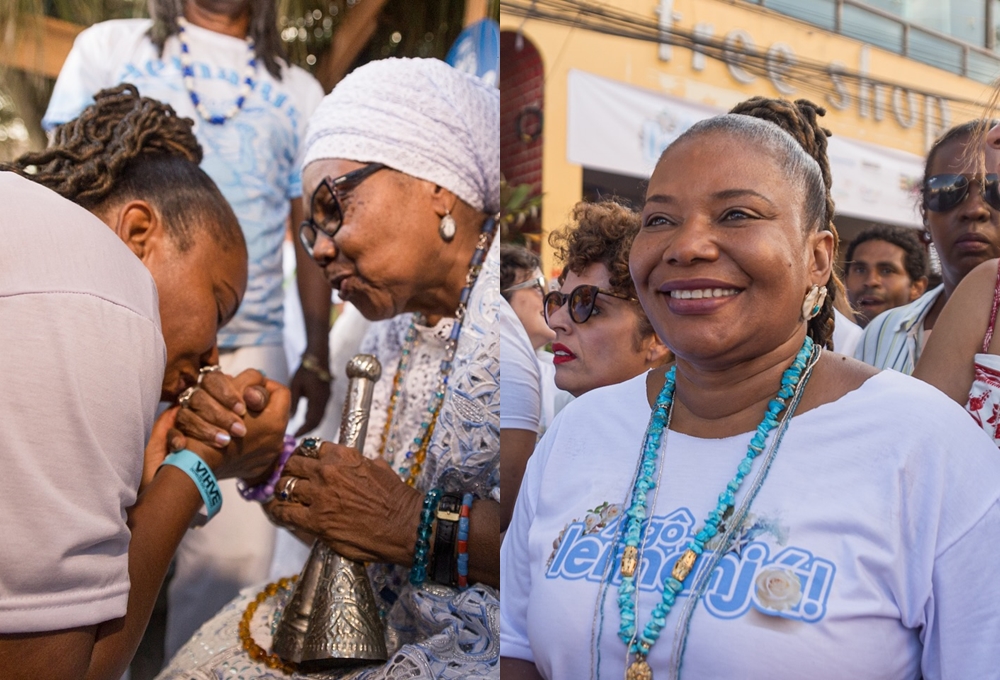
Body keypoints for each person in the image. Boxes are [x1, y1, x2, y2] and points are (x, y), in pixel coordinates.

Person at [500, 100, 1000, 679]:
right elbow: (519, 648)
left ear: (818, 258)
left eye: (736, 214)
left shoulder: (927, 446)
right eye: (659, 220)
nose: (687, 246)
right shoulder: (577, 433)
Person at [157, 57, 501, 679]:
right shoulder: (380, 329)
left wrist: (410, 525)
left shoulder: (529, 322)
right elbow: (349, 506)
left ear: (438, 185)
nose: (316, 248)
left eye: (333, 207)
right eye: (310, 227)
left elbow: (574, 549)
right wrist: (261, 458)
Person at [41, 0, 331, 652]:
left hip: (245, 341)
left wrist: (314, 350)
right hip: (105, 330)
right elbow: (65, 179)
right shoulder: (107, 47)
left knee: (226, 574)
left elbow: (309, 230)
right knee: (90, 531)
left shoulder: (299, 90)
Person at [0, 85, 291, 679]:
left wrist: (142, 491)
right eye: (219, 302)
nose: (213, 360)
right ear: (138, 235)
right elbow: (66, 669)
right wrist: (195, 469)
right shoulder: (102, 293)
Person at [854, 120, 1000, 373]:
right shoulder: (881, 333)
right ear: (925, 214)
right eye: (947, 191)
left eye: (996, 189)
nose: (974, 210)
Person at [544, 200, 672, 398]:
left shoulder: (693, 427)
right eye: (558, 302)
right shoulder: (567, 419)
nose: (555, 322)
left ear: (660, 337)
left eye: (589, 307)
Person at [844, 224, 928, 327]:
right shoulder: (824, 339)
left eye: (887, 271)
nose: (871, 281)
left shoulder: (931, 341)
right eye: (860, 270)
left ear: (917, 287)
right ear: (845, 280)